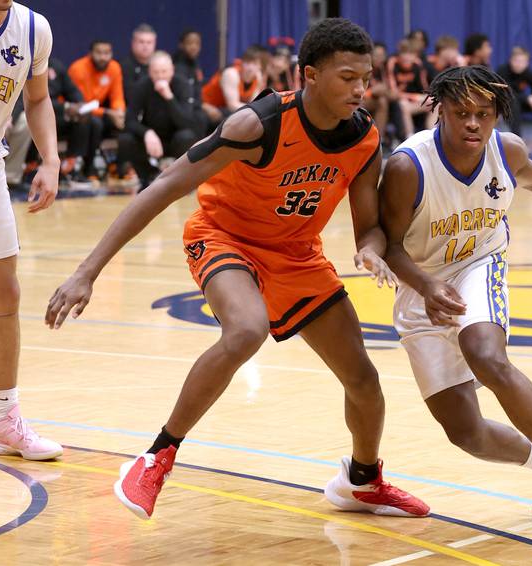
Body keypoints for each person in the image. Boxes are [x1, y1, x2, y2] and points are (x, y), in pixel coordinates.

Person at [46, 18, 429, 521]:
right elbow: (165, 186)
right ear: (309, 75)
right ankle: (155, 455)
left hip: (295, 253)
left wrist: (371, 250)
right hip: (225, 236)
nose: (360, 89)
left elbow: (368, 227)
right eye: (347, 77)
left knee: (363, 379)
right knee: (246, 328)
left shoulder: (362, 137)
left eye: (366, 77)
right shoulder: (259, 124)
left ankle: (362, 481)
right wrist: (87, 271)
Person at [379, 65, 532, 538]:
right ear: (440, 110)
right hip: (420, 283)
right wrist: (425, 286)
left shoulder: (506, 150)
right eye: (462, 112)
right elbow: (389, 246)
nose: (473, 123)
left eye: (483, 114)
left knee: (487, 355)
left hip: (478, 263)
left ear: (495, 116)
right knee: (466, 432)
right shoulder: (409, 167)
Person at [0, 0, 61, 460]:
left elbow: (38, 98)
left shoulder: (32, 29)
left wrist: (50, 159)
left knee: (4, 296)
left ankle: (5, 421)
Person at [118, 51, 200, 187]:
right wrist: (147, 133)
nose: (160, 76)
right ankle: (147, 176)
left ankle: (180, 177)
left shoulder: (183, 85)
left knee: (187, 136)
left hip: (175, 138)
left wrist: (169, 97)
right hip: (151, 140)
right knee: (126, 139)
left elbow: (187, 123)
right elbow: (129, 121)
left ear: (172, 70)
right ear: (149, 72)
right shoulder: (142, 86)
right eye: (156, 72)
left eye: (164, 71)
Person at [68, 39, 126, 178]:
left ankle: (118, 166)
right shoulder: (78, 68)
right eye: (99, 53)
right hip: (76, 112)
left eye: (106, 53)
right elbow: (82, 104)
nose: (103, 57)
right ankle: (88, 168)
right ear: (90, 54)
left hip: (98, 111)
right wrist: (107, 112)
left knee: (123, 122)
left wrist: (119, 112)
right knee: (95, 123)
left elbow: (117, 96)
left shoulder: (114, 68)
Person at [201, 47, 263, 126]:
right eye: (247, 63)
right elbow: (232, 105)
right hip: (204, 105)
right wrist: (258, 110)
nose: (250, 68)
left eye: (254, 64)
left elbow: (254, 103)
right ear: (241, 63)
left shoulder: (258, 78)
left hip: (222, 108)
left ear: (260, 66)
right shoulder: (231, 73)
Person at [387, 39, 431, 137]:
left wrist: (423, 97)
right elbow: (394, 93)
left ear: (415, 55)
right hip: (397, 101)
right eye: (404, 53)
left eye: (410, 53)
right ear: (399, 54)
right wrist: (415, 97)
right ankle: (409, 137)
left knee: (435, 102)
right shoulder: (392, 63)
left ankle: (431, 136)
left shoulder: (417, 64)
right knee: (403, 104)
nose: (407, 57)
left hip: (414, 101)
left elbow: (425, 89)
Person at [172, 28, 207, 135]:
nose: (194, 47)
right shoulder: (177, 66)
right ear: (181, 45)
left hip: (196, 107)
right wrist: (204, 107)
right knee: (201, 118)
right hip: (182, 109)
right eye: (190, 43)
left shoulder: (195, 64)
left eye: (197, 43)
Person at [120, 23, 156, 105]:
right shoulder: (123, 66)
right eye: (141, 42)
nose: (145, 46)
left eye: (149, 42)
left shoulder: (159, 67)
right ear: (133, 43)